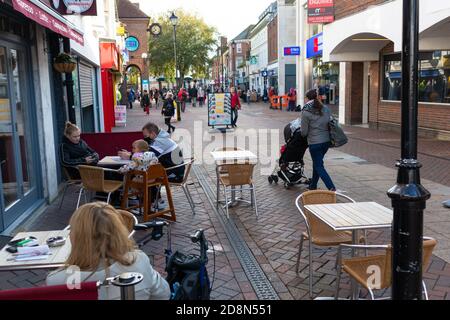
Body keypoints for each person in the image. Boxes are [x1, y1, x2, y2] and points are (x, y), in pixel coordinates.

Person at [46, 203, 171, 300]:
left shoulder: (56, 280)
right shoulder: (139, 261)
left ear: (76, 238)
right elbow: (164, 294)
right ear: (119, 232)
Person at [118, 123, 185, 183]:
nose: (145, 138)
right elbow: (147, 154)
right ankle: (149, 196)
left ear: (153, 134)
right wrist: (131, 153)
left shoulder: (160, 142)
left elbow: (146, 157)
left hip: (174, 175)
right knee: (146, 171)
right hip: (175, 171)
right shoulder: (162, 138)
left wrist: (130, 156)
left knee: (137, 175)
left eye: (145, 136)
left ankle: (137, 196)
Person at [301, 89, 336, 191]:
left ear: (307, 98)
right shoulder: (325, 108)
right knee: (317, 163)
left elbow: (303, 132)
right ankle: (313, 185)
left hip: (315, 143)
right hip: (326, 142)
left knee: (319, 166)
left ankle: (331, 187)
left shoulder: (306, 112)